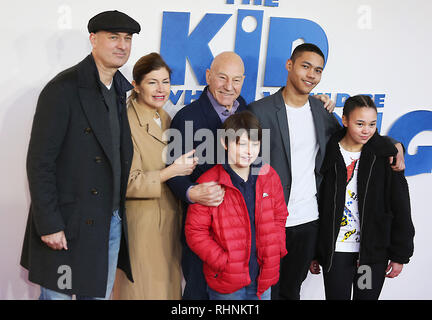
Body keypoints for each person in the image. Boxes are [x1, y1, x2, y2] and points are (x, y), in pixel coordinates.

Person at [167, 50, 335, 299]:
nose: (228, 86)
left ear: (243, 81)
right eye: (222, 78)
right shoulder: (185, 117)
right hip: (207, 231)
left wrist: (318, 101)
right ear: (208, 76)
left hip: (245, 240)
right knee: (198, 295)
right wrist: (192, 191)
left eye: (236, 80)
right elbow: (172, 173)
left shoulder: (249, 111)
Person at [247, 43, 406, 300]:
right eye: (305, 66)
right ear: (290, 65)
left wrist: (395, 145)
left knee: (291, 292)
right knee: (264, 292)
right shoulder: (259, 111)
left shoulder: (322, 113)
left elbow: (358, 134)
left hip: (309, 222)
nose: (311, 74)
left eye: (318, 70)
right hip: (271, 221)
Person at [20, 10, 141, 300]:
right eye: (113, 37)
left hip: (108, 222)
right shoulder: (63, 88)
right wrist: (49, 224)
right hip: (67, 224)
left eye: (127, 39)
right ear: (93, 40)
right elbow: (40, 162)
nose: (122, 45)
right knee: (58, 296)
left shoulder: (119, 91)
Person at [309, 95, 415, 300]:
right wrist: (314, 252)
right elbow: (319, 202)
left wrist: (400, 254)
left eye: (372, 124)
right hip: (336, 251)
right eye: (360, 124)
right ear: (345, 120)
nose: (366, 130)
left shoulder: (386, 154)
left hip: (371, 255)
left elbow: (401, 206)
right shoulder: (328, 151)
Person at [113, 53, 197, 299]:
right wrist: (172, 172)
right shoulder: (125, 122)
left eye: (166, 82)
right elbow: (128, 183)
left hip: (169, 224)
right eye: (152, 82)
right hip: (142, 227)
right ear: (136, 86)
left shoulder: (165, 117)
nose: (161, 89)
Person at [185, 111, 288, 300]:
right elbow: (195, 232)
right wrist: (223, 261)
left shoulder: (269, 175)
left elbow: (280, 216)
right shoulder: (209, 181)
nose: (249, 151)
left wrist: (277, 247)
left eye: (255, 144)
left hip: (263, 277)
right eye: (241, 144)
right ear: (225, 143)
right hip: (227, 281)